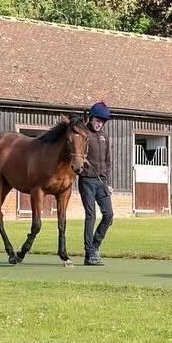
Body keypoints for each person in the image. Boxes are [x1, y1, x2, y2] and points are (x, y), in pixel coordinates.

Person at [77, 101, 114, 265]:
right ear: (91, 118)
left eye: (102, 121)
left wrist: (108, 182)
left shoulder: (104, 136)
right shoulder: (83, 133)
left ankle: (95, 246)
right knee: (90, 216)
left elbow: (108, 161)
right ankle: (88, 254)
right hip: (87, 180)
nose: (100, 124)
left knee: (109, 215)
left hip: (102, 181)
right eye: (97, 120)